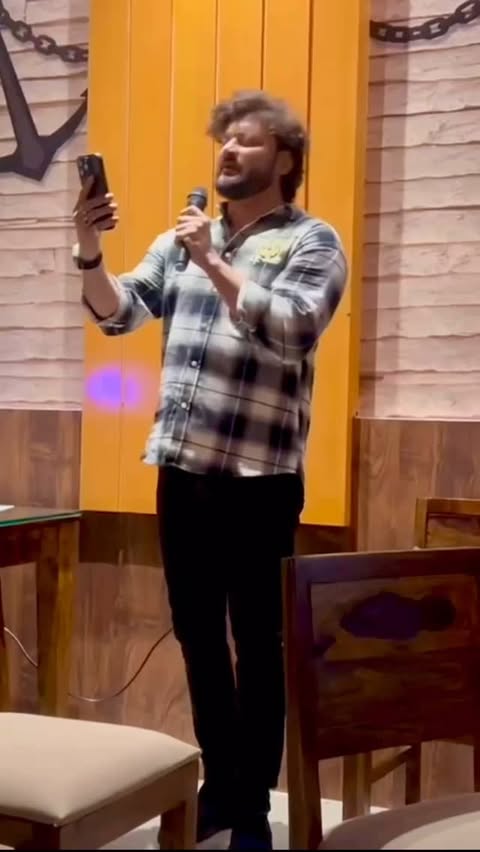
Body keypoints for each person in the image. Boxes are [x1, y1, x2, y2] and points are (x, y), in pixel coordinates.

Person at [73, 90, 347, 850]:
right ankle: (222, 785)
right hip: (183, 471)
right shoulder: (182, 240)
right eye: (223, 139)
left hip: (260, 480)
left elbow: (293, 328)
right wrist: (89, 248)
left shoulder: (311, 241)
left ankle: (252, 804)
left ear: (284, 160)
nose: (227, 150)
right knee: (197, 635)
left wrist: (213, 261)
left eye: (246, 141)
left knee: (259, 644)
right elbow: (118, 311)